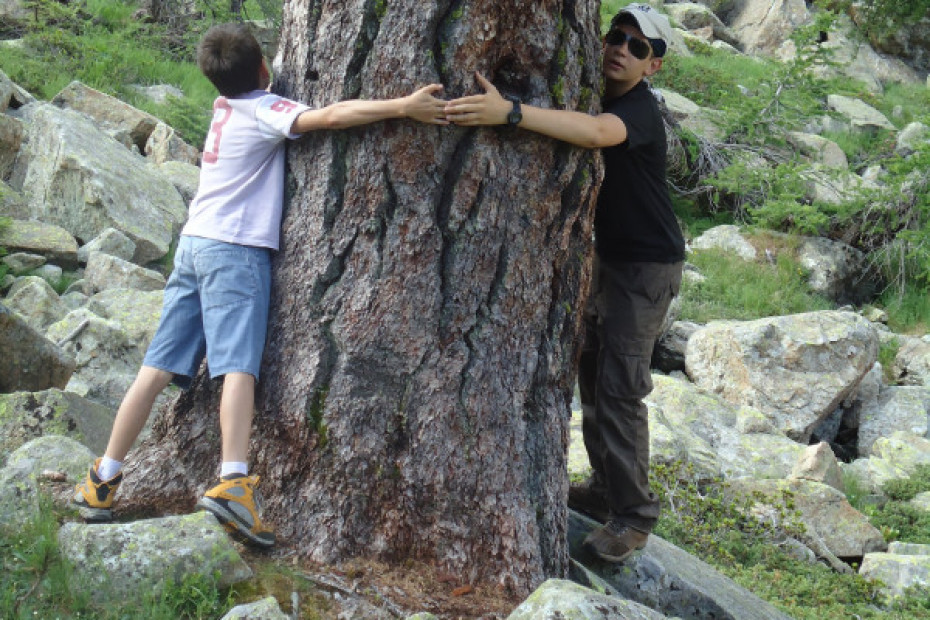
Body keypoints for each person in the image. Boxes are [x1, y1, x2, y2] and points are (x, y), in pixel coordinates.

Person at [73, 22, 448, 547]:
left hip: (194, 243)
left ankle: (102, 480)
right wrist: (404, 106)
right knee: (237, 370)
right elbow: (334, 116)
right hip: (234, 251)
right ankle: (232, 484)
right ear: (266, 70)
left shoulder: (225, 109)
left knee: (155, 369)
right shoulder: (266, 110)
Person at [445, 4, 685, 563]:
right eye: (616, 35)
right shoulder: (593, 87)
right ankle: (606, 489)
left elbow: (598, 134)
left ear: (655, 66)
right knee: (593, 376)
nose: (620, 47)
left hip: (646, 268)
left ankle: (634, 517)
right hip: (608, 260)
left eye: (637, 46)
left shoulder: (639, 110)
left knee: (622, 388)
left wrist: (509, 113)